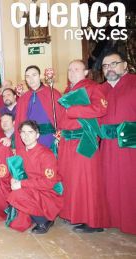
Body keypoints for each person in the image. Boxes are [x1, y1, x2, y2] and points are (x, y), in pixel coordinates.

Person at [57, 60, 108, 233]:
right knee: (71, 180)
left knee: (87, 180)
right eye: (69, 69)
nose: (72, 72)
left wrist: (73, 111)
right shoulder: (67, 91)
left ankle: (93, 221)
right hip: (67, 141)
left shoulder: (93, 87)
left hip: (84, 140)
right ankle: (75, 215)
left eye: (76, 69)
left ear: (85, 72)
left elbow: (100, 109)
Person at [100, 51, 136, 235]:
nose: (109, 69)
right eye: (105, 66)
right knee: (110, 183)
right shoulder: (101, 90)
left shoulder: (134, 83)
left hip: (130, 146)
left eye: (113, 64)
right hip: (107, 147)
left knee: (130, 183)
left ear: (124, 65)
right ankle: (112, 219)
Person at [6, 120, 63, 234]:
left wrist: (22, 184)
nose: (26, 136)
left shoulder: (46, 154)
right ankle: (34, 214)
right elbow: (17, 172)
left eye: (30, 132)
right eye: (23, 132)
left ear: (37, 135)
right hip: (31, 189)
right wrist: (13, 179)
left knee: (17, 194)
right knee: (16, 221)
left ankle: (45, 220)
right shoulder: (20, 152)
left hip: (47, 192)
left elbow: (48, 183)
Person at [15, 65, 63, 151]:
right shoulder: (23, 99)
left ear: (40, 76)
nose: (31, 79)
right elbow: (19, 123)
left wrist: (60, 135)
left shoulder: (52, 93)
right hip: (31, 140)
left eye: (34, 75)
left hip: (50, 139)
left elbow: (62, 117)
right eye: (27, 76)